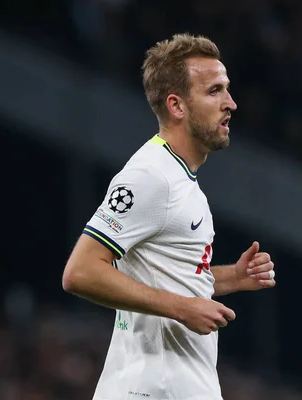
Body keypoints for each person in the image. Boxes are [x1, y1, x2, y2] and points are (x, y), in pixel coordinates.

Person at [62, 33, 276, 400]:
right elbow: (80, 272)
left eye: (227, 90)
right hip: (152, 389)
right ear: (177, 106)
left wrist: (229, 278)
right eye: (215, 91)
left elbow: (168, 276)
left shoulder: (180, 180)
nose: (232, 104)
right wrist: (182, 308)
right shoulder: (151, 176)